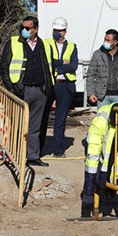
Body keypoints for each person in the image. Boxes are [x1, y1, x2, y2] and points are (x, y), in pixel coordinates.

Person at [0, 16, 54, 167]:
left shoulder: (45, 45)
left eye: (28, 28)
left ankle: (33, 156)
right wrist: (12, 87)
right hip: (22, 90)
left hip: (40, 91)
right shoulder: (13, 43)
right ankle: (15, 155)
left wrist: (47, 90)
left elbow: (50, 68)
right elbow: (4, 67)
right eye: (22, 27)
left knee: (35, 127)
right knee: (17, 124)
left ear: (35, 29)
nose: (24, 30)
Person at [81, 102, 118, 219]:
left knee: (115, 173)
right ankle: (95, 202)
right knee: (95, 171)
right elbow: (92, 161)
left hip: (115, 141)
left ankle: (115, 200)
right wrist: (87, 199)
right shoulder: (99, 126)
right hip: (97, 138)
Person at [45, 17, 78, 158]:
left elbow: (73, 65)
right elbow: (47, 62)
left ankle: (58, 150)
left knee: (60, 119)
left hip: (65, 86)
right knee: (42, 116)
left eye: (59, 31)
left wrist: (57, 69)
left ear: (65, 31)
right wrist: (61, 62)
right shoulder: (46, 44)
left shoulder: (71, 46)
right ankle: (39, 148)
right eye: (55, 30)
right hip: (50, 84)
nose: (57, 33)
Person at [86, 29, 118, 107]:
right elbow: (90, 75)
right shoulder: (97, 54)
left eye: (108, 40)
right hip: (102, 96)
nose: (105, 42)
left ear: (115, 42)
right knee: (102, 118)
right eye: (105, 39)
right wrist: (91, 93)